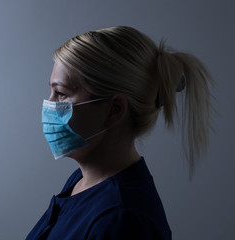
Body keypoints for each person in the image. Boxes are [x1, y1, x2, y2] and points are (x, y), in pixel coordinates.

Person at [26, 26, 213, 240]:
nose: (48, 105)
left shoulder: (123, 220)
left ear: (114, 110)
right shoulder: (84, 180)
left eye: (60, 93)